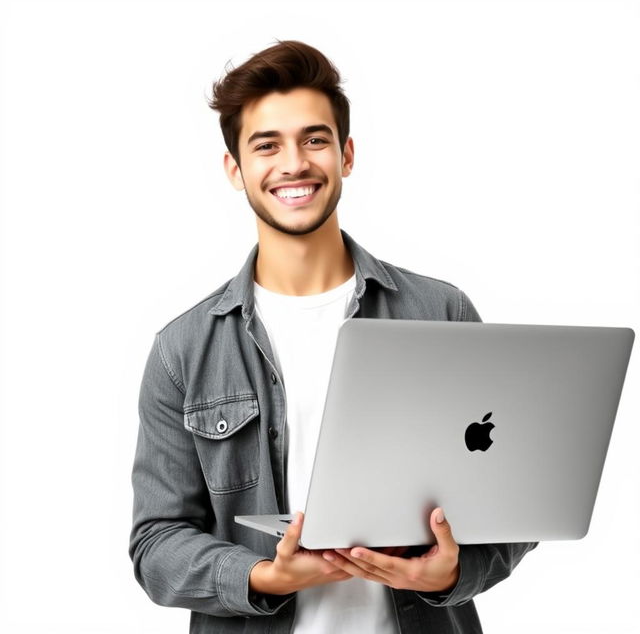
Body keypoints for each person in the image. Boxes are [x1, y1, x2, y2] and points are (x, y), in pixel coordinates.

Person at [129, 39, 538, 633]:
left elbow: (510, 505)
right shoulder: (182, 351)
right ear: (235, 170)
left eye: (314, 139)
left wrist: (451, 573)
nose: (293, 163)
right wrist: (261, 577)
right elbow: (156, 542)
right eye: (266, 145)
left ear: (346, 155)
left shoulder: (440, 312)